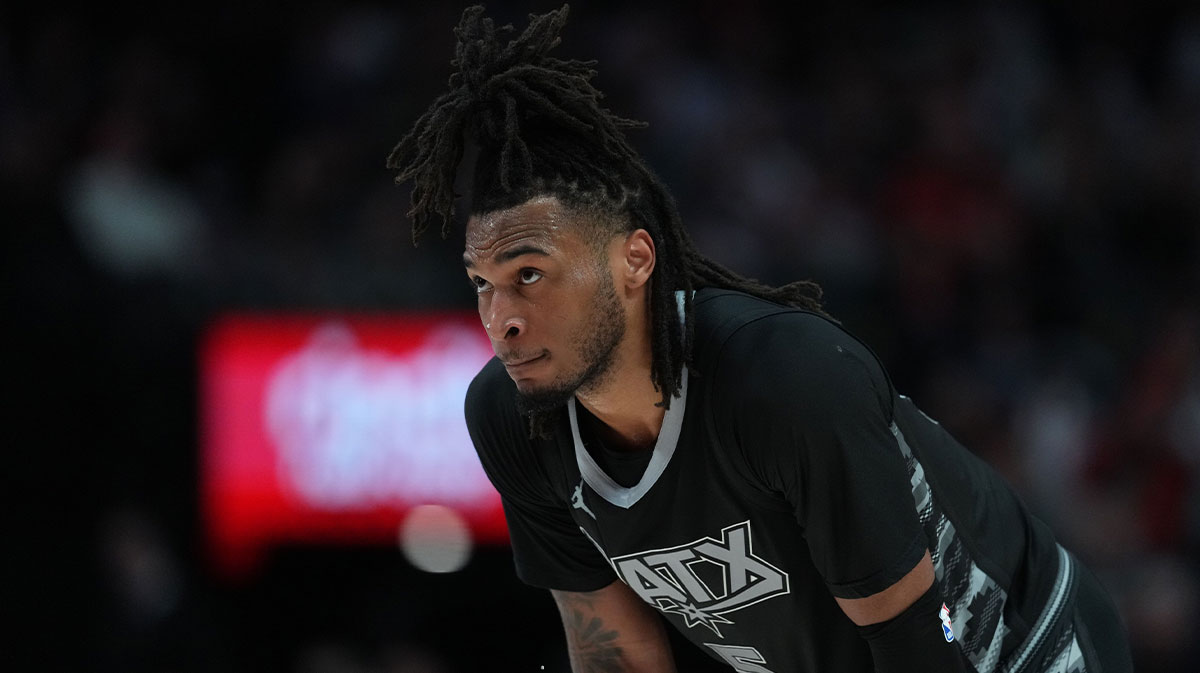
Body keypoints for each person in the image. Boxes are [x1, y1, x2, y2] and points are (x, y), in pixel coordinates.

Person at [387, 6, 1133, 673]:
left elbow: (912, 646)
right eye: (482, 282)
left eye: (529, 274)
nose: (502, 316)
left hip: (1019, 645)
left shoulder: (786, 378)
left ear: (634, 261)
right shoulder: (511, 417)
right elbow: (614, 652)